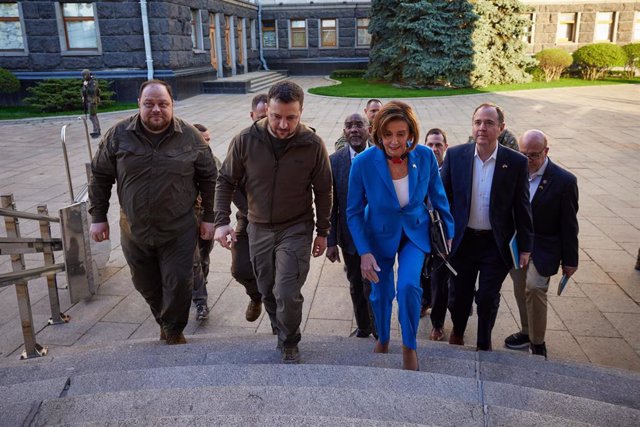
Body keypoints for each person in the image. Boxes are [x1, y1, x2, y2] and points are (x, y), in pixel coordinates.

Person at [89, 80, 217, 345]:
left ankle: (173, 330)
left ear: (172, 104)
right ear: (139, 104)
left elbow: (209, 177)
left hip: (179, 229)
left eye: (163, 104)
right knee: (144, 283)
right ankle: (165, 319)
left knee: (180, 283)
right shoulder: (118, 135)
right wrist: (98, 217)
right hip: (134, 228)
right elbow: (100, 176)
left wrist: (209, 217)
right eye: (149, 104)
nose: (156, 109)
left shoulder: (191, 136)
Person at [214, 81, 332, 363]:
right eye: (277, 116)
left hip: (296, 227)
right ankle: (279, 326)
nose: (283, 124)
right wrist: (221, 221)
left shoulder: (312, 144)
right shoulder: (245, 140)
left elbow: (324, 189)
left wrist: (323, 231)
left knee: (288, 291)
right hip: (258, 227)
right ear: (266, 109)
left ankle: (290, 341)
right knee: (267, 288)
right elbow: (226, 180)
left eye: (291, 117)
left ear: (301, 112)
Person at [347, 101, 454, 370]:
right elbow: (354, 212)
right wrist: (364, 252)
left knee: (408, 287)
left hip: (414, 233)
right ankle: (383, 337)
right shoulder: (362, 163)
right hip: (377, 236)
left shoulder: (426, 157)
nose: (394, 141)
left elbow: (439, 198)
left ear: (411, 134)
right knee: (381, 293)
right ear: (378, 134)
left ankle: (409, 346)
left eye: (401, 134)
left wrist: (448, 233)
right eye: (388, 134)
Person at [441, 102, 533, 351]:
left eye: (489, 123)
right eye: (478, 122)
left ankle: (484, 342)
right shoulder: (456, 155)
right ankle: (458, 332)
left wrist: (525, 247)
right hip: (462, 241)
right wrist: (442, 236)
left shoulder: (515, 162)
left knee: (487, 297)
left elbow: (522, 206)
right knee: (459, 296)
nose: (482, 127)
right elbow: (442, 199)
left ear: (501, 128)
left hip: (495, 244)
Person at [504, 129, 579, 358]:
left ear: (546, 151)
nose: (527, 160)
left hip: (544, 246)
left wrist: (570, 260)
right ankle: (527, 331)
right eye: (523, 154)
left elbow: (569, 224)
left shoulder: (564, 181)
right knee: (520, 288)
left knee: (534, 287)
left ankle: (537, 342)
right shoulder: (514, 171)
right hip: (517, 245)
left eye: (533, 155)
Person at [327, 113, 376, 339]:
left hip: (378, 237)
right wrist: (330, 241)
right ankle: (364, 328)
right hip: (349, 238)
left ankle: (380, 329)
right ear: (344, 131)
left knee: (375, 286)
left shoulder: (381, 157)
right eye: (349, 126)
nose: (354, 130)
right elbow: (332, 205)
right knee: (356, 285)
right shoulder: (335, 161)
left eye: (359, 125)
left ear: (369, 129)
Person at [230, 95, 268, 323]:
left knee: (277, 276)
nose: (265, 122)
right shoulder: (242, 141)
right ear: (252, 115)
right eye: (261, 117)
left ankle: (279, 325)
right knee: (240, 268)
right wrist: (249, 211)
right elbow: (229, 181)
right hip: (248, 217)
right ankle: (256, 297)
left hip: (279, 222)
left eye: (268, 117)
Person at [420, 128, 450, 342]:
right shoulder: (419, 168)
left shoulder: (452, 170)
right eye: (430, 144)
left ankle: (437, 324)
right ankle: (424, 301)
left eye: (438, 144)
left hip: (441, 234)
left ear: (445, 147)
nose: (434, 149)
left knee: (440, 280)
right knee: (422, 272)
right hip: (420, 231)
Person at [190, 123, 222, 321]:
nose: (207, 144)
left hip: (207, 217)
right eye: (203, 140)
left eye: (209, 140)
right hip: (186, 219)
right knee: (193, 261)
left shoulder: (214, 161)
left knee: (203, 257)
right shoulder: (184, 162)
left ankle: (201, 282)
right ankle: (201, 301)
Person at [81, 69, 101, 138]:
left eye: (85, 75)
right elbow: (83, 91)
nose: (84, 77)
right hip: (90, 101)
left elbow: (92, 91)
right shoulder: (88, 82)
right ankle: (98, 130)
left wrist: (86, 86)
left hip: (92, 101)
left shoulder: (93, 82)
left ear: (88, 74)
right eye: (83, 75)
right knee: (94, 115)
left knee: (92, 116)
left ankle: (96, 131)